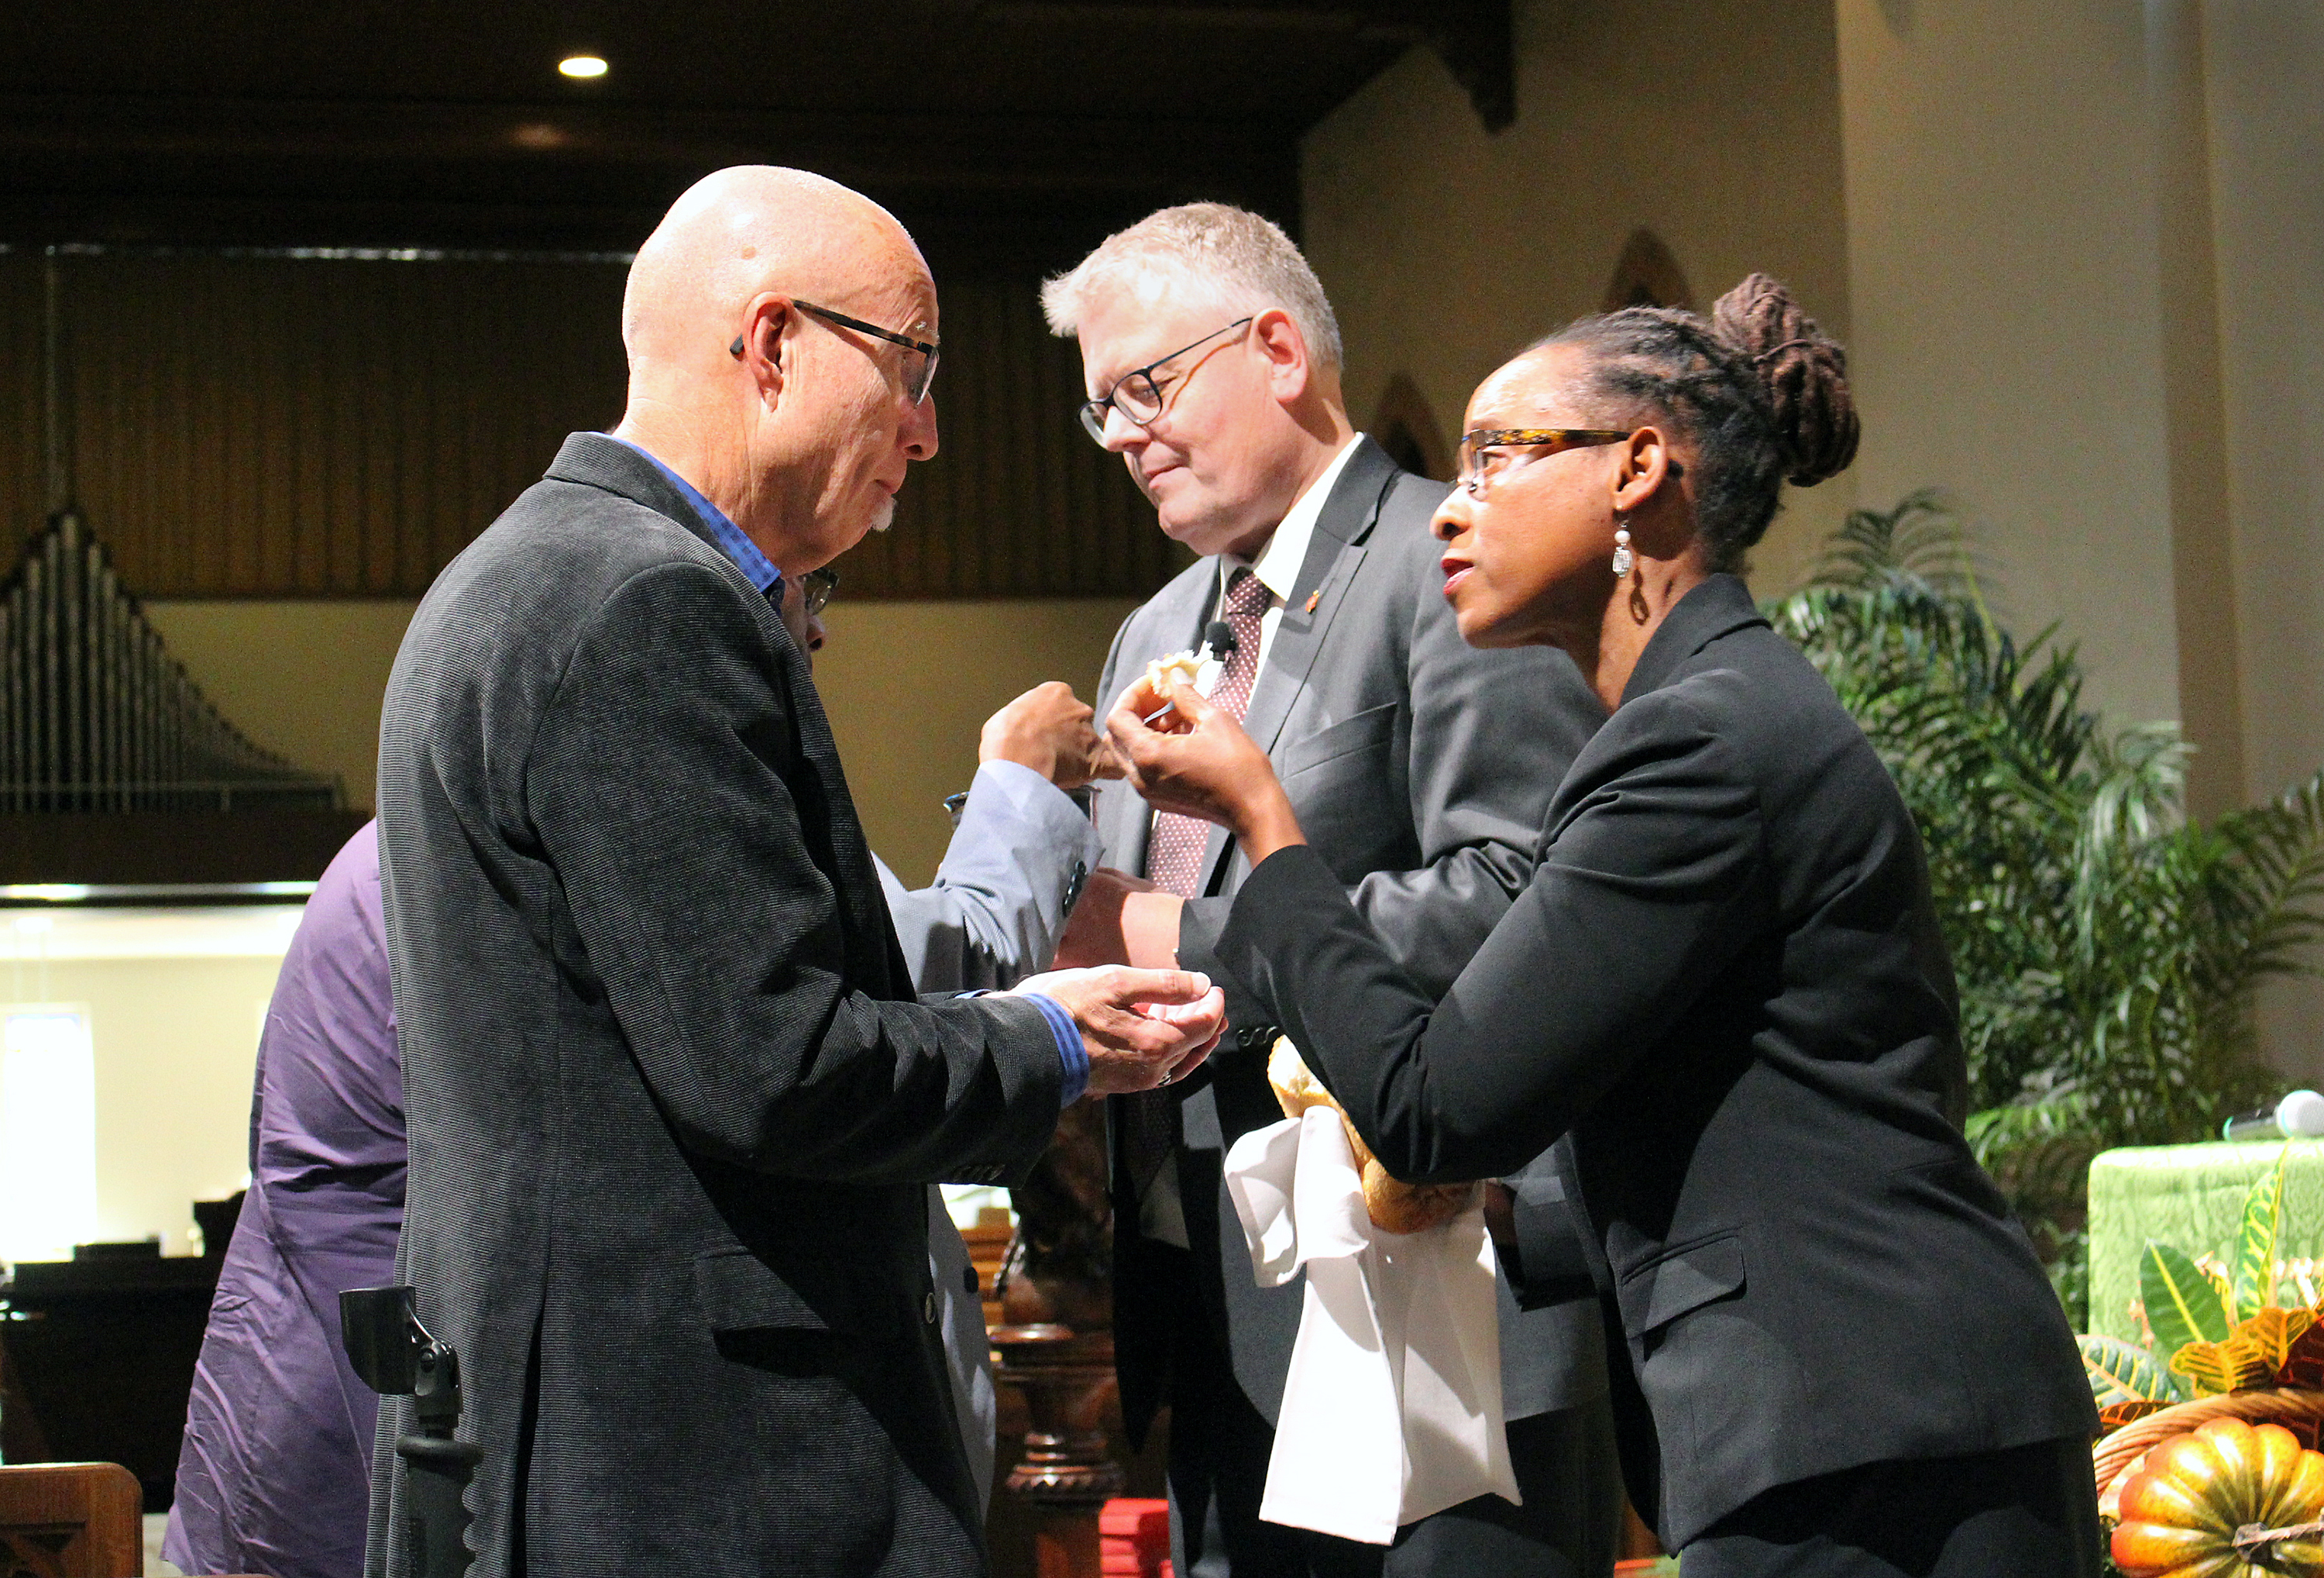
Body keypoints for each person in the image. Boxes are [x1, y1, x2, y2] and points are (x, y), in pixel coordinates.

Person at [1107, 276, 2103, 1577]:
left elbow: (1433, 1104)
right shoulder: (1697, 717)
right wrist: (1516, 1220)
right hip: (1865, 1425)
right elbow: (1747, 1091)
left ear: (1639, 468)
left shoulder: (1702, 738)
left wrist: (1264, 822)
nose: (1452, 507)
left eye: (1497, 458)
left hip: (1876, 1433)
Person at [370, 165, 1224, 1578]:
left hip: (579, 1424)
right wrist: (1056, 1038)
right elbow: (776, 1066)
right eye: (911, 369)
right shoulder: (649, 600)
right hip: (693, 1463)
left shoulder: (520, 572)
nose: (932, 432)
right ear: (773, 343)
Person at [1042, 203, 1619, 1578]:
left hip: (1434, 1314)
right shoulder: (1159, 624)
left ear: (1281, 350)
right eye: (1098, 411)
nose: (1122, 434)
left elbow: (1525, 897)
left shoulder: (1454, 562)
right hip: (1207, 1311)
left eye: (1144, 387)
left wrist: (1184, 940)